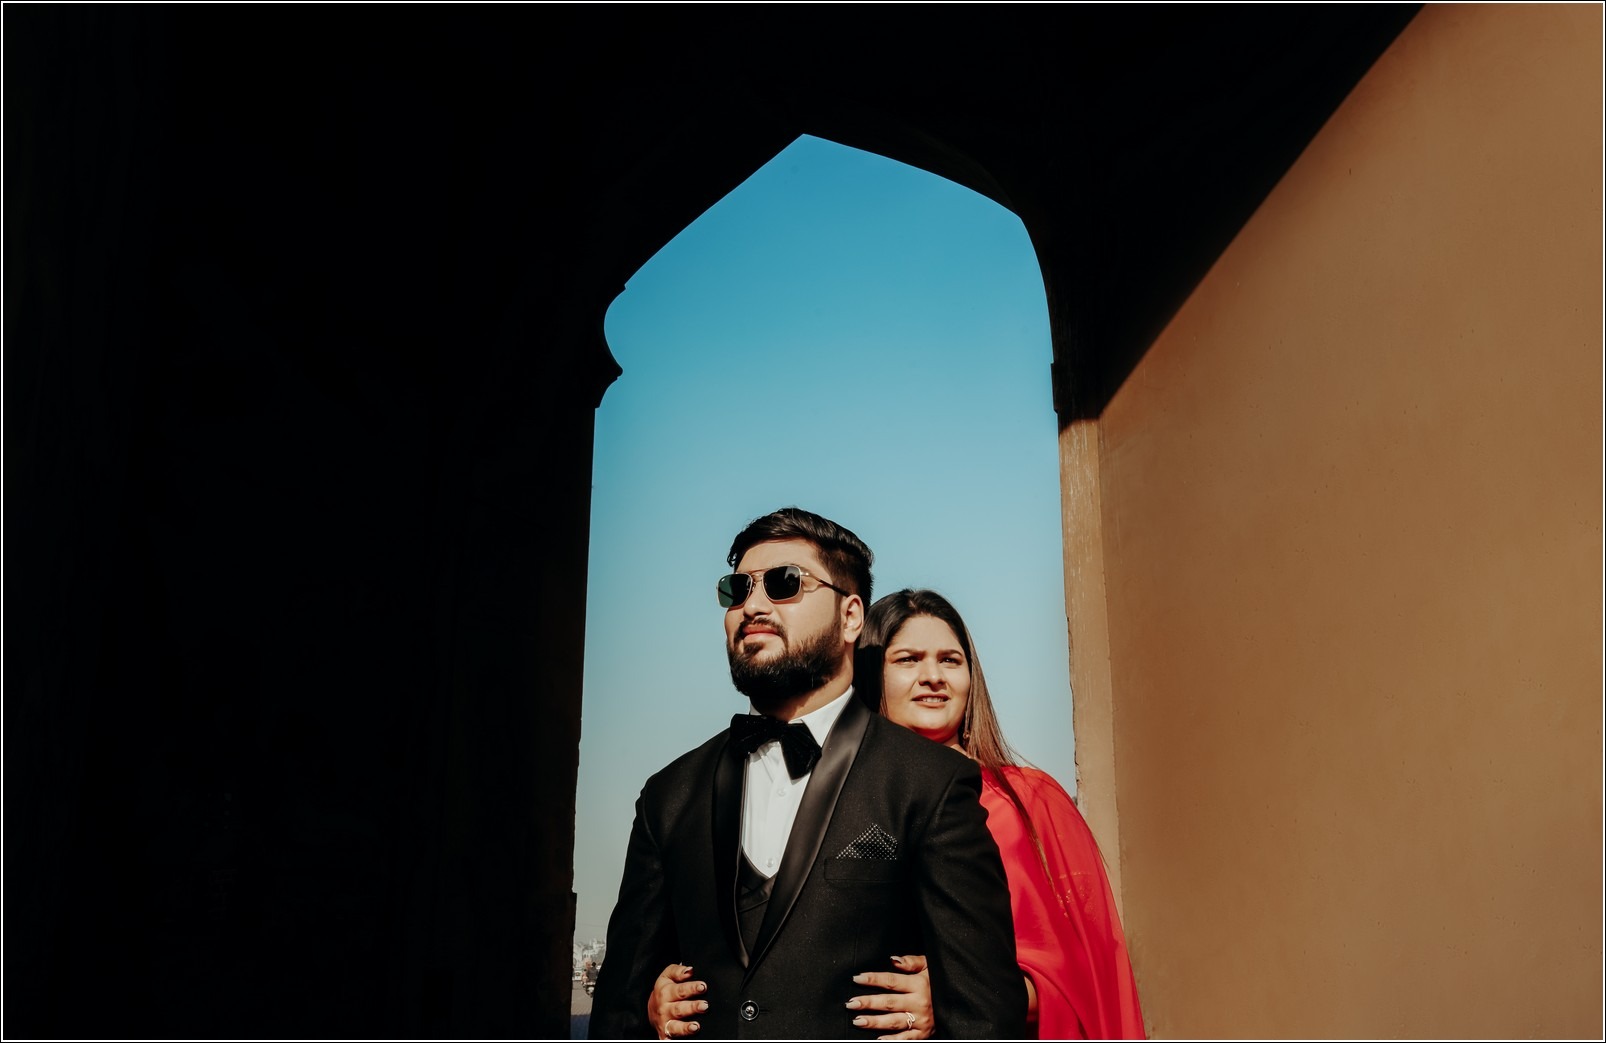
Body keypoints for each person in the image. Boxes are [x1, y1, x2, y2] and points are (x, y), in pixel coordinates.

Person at [588, 510, 1026, 1039]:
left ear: (850, 617)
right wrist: (646, 1010)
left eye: (784, 583)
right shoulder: (669, 796)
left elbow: (986, 1014)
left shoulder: (930, 784)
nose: (752, 605)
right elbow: (617, 1013)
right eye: (737, 589)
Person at [651, 589, 1145, 1040]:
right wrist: (662, 993)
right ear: (871, 674)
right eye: (908, 659)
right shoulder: (792, 792)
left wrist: (958, 995)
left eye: (950, 660)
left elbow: (1090, 975)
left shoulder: (1031, 801)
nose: (933, 676)